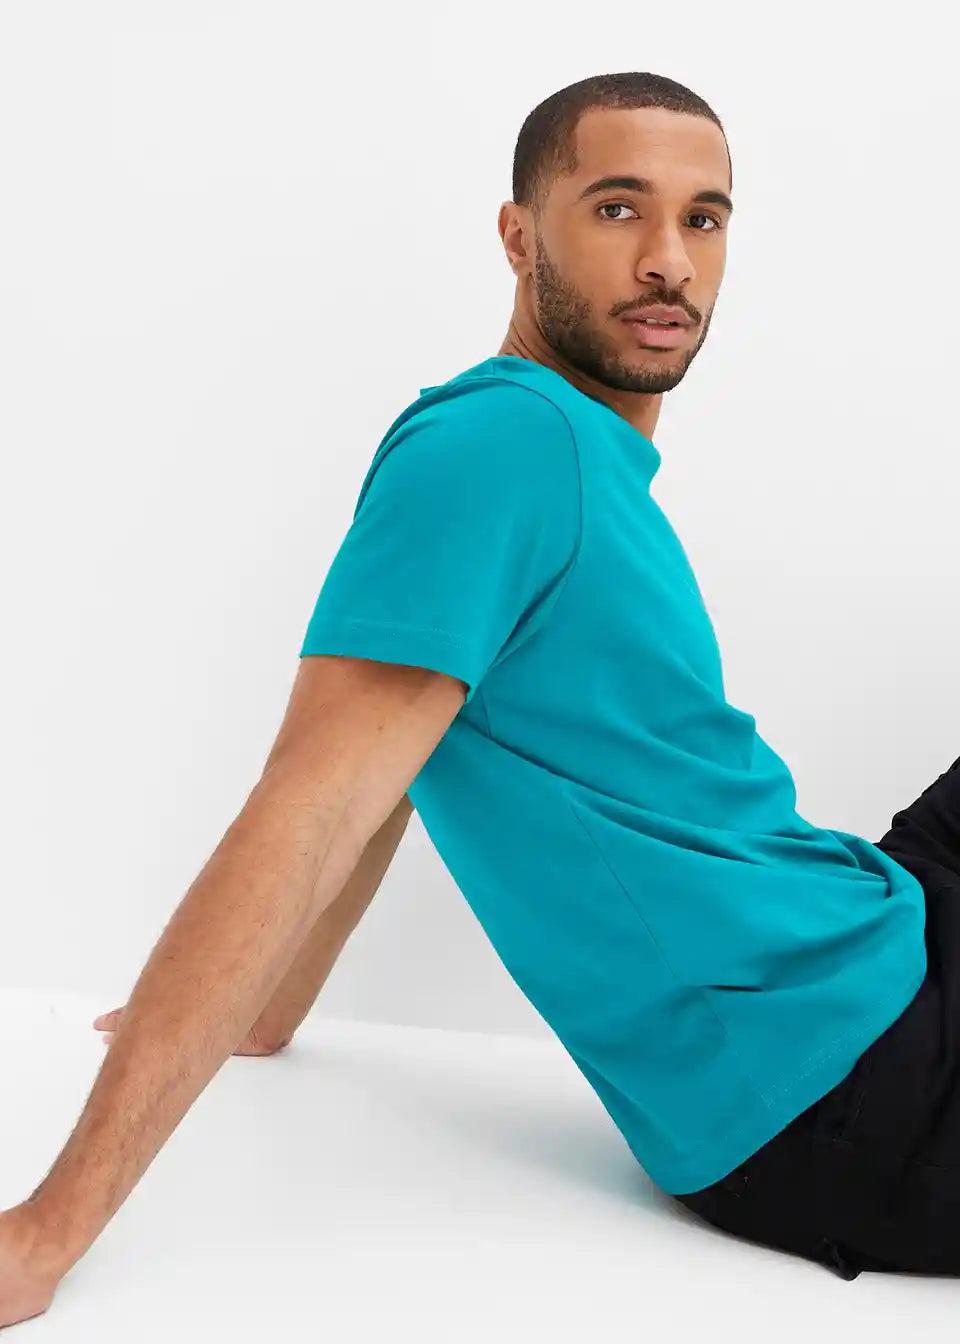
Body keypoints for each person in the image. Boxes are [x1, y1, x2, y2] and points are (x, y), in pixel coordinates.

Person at [0, 72, 957, 1325]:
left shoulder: (568, 446)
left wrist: (271, 1010)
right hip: (842, 1087)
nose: (669, 261)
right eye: (617, 209)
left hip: (872, 921)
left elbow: (407, 749)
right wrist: (43, 1234)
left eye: (703, 218)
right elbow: (313, 806)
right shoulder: (500, 448)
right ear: (519, 235)